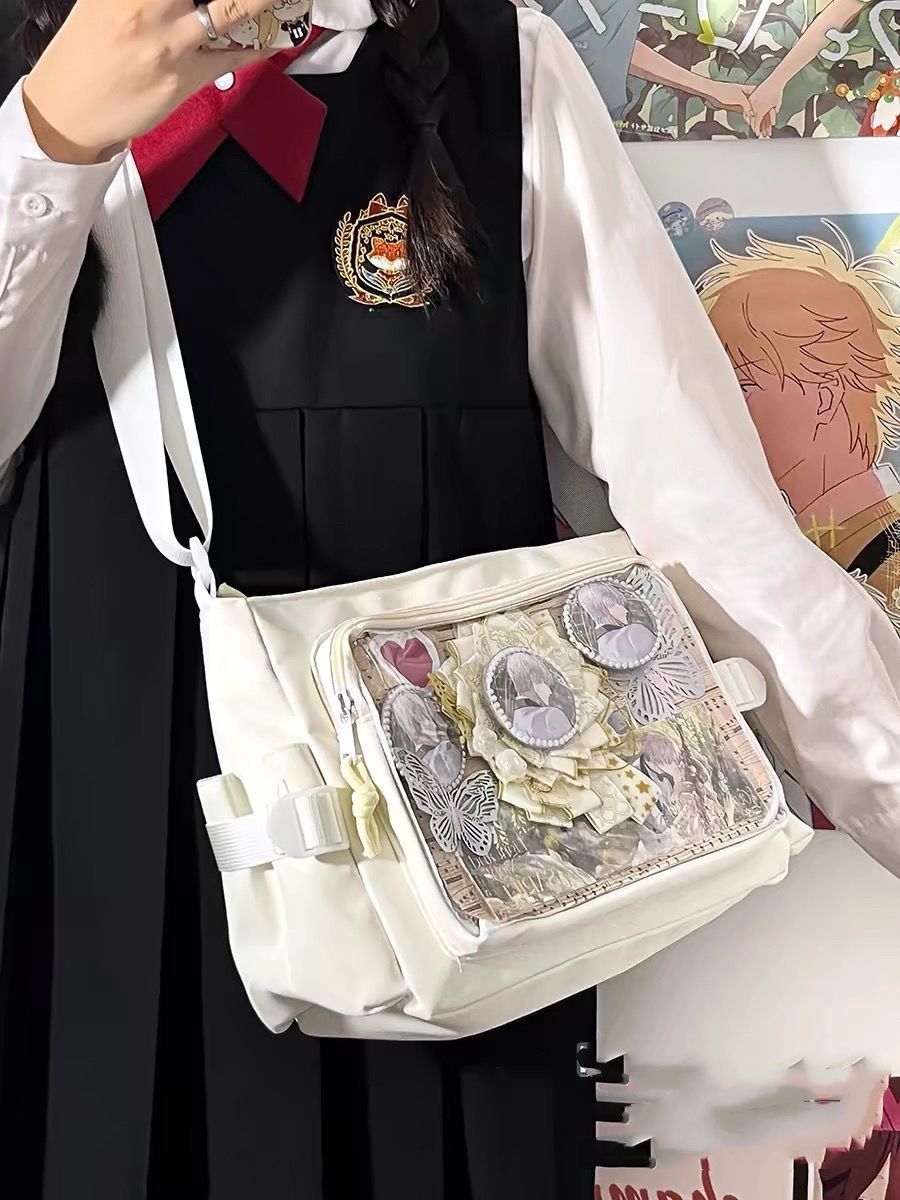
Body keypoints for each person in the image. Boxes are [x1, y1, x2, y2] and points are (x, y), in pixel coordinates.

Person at [2, 1, 900, 1197]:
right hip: (87, 834)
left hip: (464, 880)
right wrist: (50, 142)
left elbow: (704, 512)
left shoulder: (499, 66)